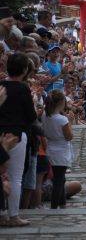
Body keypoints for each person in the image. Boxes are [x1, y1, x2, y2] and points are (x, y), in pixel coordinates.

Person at [0, 53, 37, 227]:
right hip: (16, 135)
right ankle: (13, 215)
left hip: (0, 135)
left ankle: (2, 213)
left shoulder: (1, 86)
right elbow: (31, 116)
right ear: (24, 70)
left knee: (2, 176)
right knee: (15, 177)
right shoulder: (23, 89)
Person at [42, 90, 74, 209]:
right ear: (61, 102)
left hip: (51, 148)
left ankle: (62, 202)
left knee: (60, 177)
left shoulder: (45, 116)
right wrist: (70, 122)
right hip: (61, 150)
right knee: (59, 179)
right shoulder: (62, 120)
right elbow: (69, 136)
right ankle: (55, 205)